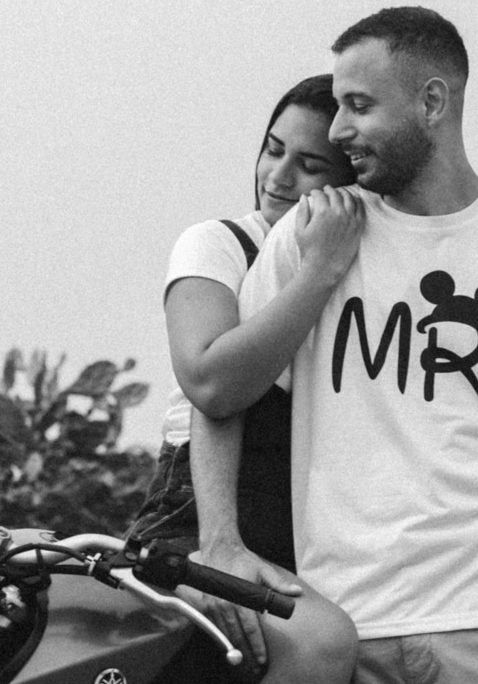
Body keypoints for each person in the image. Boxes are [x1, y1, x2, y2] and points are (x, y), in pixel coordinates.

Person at [206, 7, 478, 684]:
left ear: (432, 102)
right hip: (340, 627)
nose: (339, 128)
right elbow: (223, 395)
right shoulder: (316, 234)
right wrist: (220, 544)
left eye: (359, 105)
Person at [126, 73, 363, 684]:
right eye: (273, 148)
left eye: (310, 164)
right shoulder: (221, 244)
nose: (278, 176)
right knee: (317, 647)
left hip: (314, 524)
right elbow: (209, 380)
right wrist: (318, 271)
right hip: (201, 513)